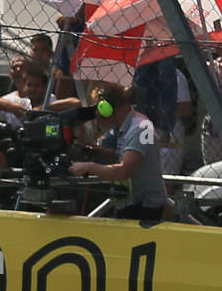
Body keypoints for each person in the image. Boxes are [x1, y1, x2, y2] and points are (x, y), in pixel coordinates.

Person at [68, 82, 169, 222]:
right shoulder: (126, 127)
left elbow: (124, 171)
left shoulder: (141, 128)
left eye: (99, 109)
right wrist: (103, 152)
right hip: (130, 203)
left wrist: (88, 167)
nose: (97, 115)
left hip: (145, 208)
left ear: (107, 108)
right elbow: (127, 157)